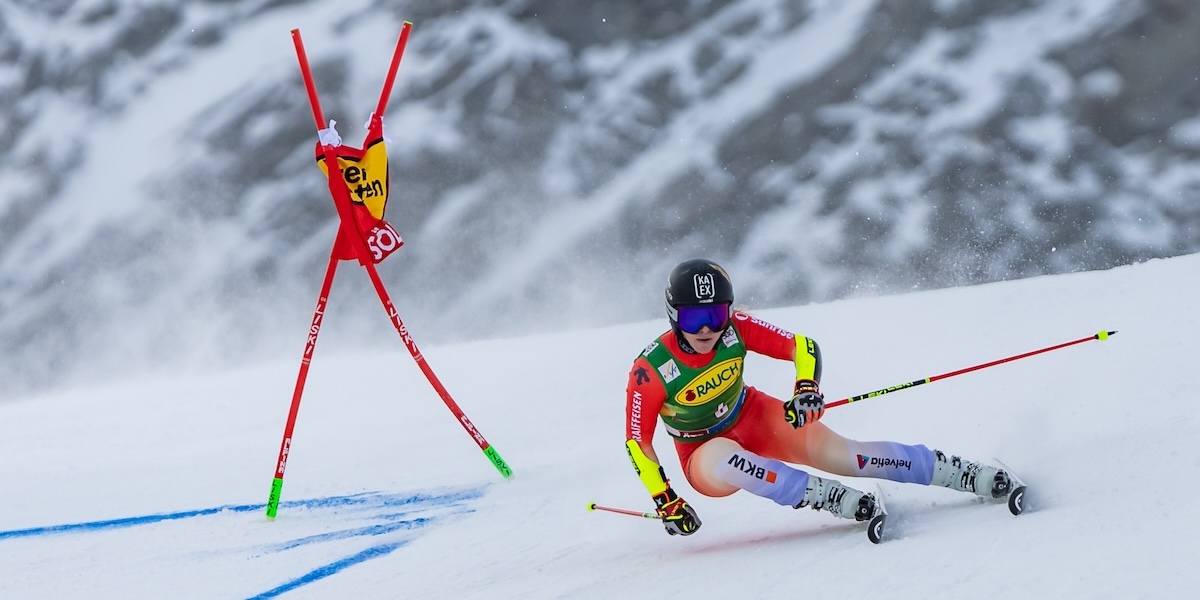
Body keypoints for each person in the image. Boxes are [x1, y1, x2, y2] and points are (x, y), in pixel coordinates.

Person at [624, 258, 1012, 536]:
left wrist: (806, 389)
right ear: (674, 317)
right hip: (701, 453)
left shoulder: (736, 329)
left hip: (754, 416)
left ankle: (964, 473)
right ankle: (828, 498)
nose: (707, 328)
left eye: (717, 315)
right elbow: (636, 441)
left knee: (848, 455)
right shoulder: (651, 369)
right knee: (729, 461)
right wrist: (665, 498)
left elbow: (801, 347)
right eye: (694, 319)